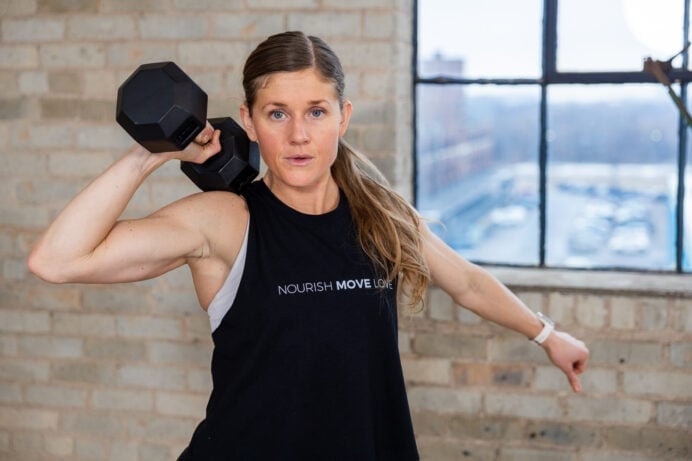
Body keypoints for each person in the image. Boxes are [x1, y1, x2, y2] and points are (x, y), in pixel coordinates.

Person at [28, 31, 589, 460]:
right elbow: (56, 261)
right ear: (247, 120)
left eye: (316, 112)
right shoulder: (225, 222)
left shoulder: (382, 215)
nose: (299, 135)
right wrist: (153, 150)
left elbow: (466, 281)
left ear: (341, 118)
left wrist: (546, 334)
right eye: (278, 114)